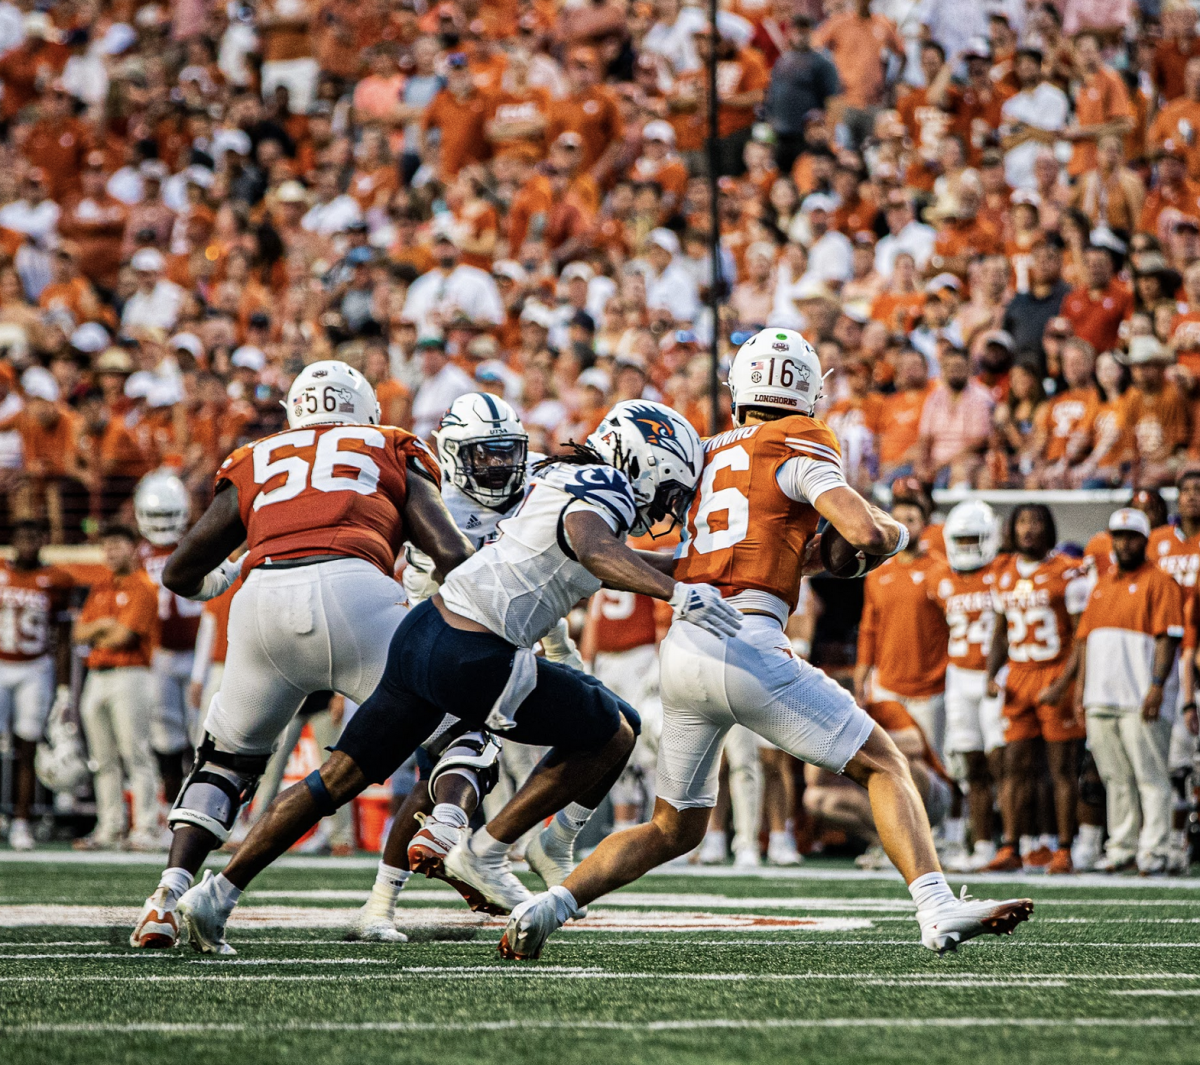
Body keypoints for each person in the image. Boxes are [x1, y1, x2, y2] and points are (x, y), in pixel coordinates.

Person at [499, 327, 1033, 960]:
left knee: (675, 827)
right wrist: (893, 536)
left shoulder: (710, 449)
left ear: (740, 389)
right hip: (747, 640)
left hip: (685, 647)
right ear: (807, 392)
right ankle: (937, 907)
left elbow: (736, 552)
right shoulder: (804, 439)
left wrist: (808, 561)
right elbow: (861, 529)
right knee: (884, 764)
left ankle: (548, 905)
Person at [174, 400, 742, 953]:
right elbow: (594, 547)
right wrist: (679, 592)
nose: (666, 505)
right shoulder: (604, 485)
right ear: (642, 461)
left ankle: (217, 893)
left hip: (422, 633)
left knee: (336, 779)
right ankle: (493, 850)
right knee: (613, 731)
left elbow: (607, 553)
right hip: (475, 649)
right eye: (668, 490)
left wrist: (699, 570)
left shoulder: (568, 476)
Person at [129, 360, 474, 950]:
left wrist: (225, 579)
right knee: (461, 726)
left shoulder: (257, 456)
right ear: (364, 410)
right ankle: (450, 836)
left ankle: (166, 895)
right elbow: (448, 552)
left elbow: (182, 570)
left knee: (224, 763)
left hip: (262, 604)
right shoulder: (388, 445)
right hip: (359, 596)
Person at [1076, 508, 1186, 875]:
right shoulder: (1102, 583)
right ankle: (1123, 846)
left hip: (1139, 696)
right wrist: (1081, 692)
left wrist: (1156, 687)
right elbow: (1087, 641)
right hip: (1101, 695)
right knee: (1115, 777)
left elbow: (1167, 640)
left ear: (1145, 540)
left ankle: (1154, 849)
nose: (1124, 543)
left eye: (1131, 536)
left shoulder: (1160, 581)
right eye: (1118, 536)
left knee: (1150, 776)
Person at [984, 504, 1091, 874]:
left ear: (1049, 528)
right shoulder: (1001, 572)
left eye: (1037, 522)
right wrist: (990, 674)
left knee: (1061, 768)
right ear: (1013, 529)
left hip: (1054, 671)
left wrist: (1064, 683)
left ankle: (1064, 848)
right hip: (1018, 676)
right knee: (1011, 765)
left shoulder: (1067, 571)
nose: (1029, 529)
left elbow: (1081, 636)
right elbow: (999, 632)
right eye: (1023, 522)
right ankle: (1011, 846)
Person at [74, 524, 161, 851]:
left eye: (117, 545)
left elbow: (124, 636)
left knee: (135, 752)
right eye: (107, 546)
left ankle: (147, 827)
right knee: (103, 758)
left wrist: (100, 632)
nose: (111, 552)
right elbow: (78, 633)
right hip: (97, 676)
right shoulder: (101, 586)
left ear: (133, 547)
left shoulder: (142, 586)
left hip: (131, 673)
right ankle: (110, 826)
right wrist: (102, 627)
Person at [930, 501, 1006, 871]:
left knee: (1003, 764)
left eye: (974, 538)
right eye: (961, 539)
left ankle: (1020, 842)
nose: (967, 546)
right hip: (959, 676)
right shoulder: (941, 578)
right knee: (970, 765)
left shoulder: (1004, 573)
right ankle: (983, 844)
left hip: (996, 677)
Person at [855, 485, 950, 759]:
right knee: (887, 761)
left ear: (925, 524)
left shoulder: (940, 570)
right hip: (887, 686)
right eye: (898, 521)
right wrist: (861, 676)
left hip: (930, 690)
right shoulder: (877, 573)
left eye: (911, 521)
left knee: (933, 763)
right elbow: (868, 628)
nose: (904, 527)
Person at [0, 520, 75, 851]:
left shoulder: (56, 580)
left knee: (27, 746)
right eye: (22, 536)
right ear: (13, 540)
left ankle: (20, 821)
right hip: (1, 664)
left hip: (34, 668)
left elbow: (63, 639)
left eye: (34, 536)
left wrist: (63, 687)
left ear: (43, 540)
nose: (28, 543)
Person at [134, 470, 204, 807]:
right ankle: (172, 806)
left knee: (199, 735)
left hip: (195, 653)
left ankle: (196, 806)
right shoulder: (137, 557)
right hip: (159, 655)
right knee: (165, 736)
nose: (161, 523)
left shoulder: (197, 545)